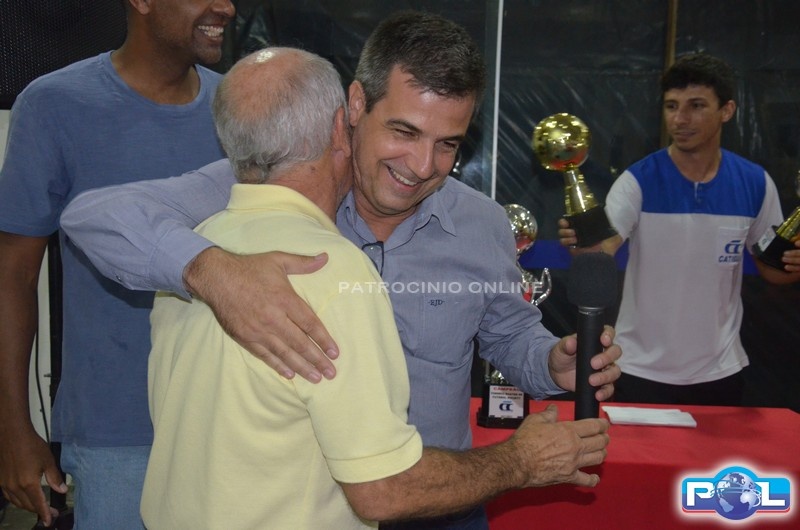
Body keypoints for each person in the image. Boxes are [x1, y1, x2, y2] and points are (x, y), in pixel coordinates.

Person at [61, 11, 622, 529]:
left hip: (449, 500)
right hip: (328, 509)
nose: (422, 166)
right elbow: (93, 216)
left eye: (447, 144)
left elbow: (508, 334)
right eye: (404, 132)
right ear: (354, 105)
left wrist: (550, 363)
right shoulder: (271, 179)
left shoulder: (482, 224)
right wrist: (212, 271)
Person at [0, 1, 272, 527]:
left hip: (237, 426)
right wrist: (12, 428)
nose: (226, 7)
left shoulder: (242, 107)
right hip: (117, 440)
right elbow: (13, 276)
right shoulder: (55, 105)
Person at [558, 53, 800, 407]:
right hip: (638, 369)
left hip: (720, 372)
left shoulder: (755, 183)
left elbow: (773, 269)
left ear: (727, 110)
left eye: (696, 106)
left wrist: (794, 264)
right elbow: (600, 252)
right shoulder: (638, 180)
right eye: (672, 106)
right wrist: (580, 245)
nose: (680, 119)